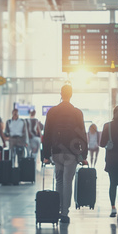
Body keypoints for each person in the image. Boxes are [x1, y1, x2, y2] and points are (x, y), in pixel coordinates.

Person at [42, 84, 88, 224]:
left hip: (57, 152)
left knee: (59, 181)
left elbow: (47, 133)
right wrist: (83, 156)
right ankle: (64, 213)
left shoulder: (52, 112)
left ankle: (58, 208)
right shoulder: (77, 113)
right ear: (71, 94)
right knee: (68, 181)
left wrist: (45, 154)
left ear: (61, 94)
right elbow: (82, 135)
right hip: (71, 153)